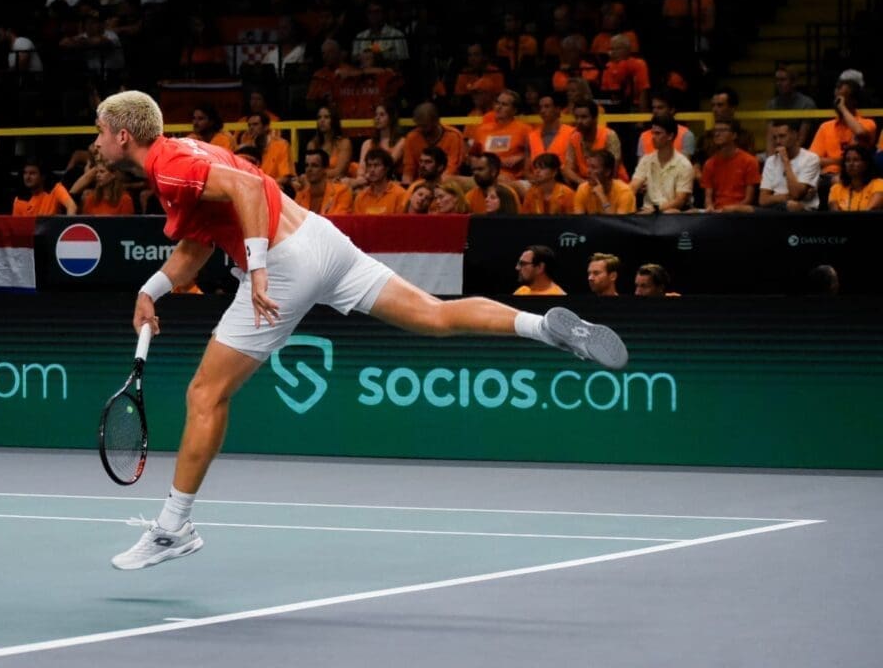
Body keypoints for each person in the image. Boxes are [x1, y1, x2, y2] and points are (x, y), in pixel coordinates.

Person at [93, 91, 626, 570]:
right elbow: (200, 241)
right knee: (434, 316)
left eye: (99, 132)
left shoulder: (167, 166)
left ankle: (173, 527)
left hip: (283, 264)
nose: (95, 143)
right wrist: (151, 290)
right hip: (320, 239)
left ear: (122, 135)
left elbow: (248, 187)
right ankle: (543, 327)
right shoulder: (186, 153)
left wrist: (257, 268)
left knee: (206, 394)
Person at [759, 120, 820, 211]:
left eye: (782, 136)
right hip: (776, 208)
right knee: (744, 210)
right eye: (775, 137)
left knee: (792, 206)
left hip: (803, 211)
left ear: (795, 135)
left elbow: (796, 194)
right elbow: (763, 200)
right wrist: (787, 197)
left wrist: (785, 160)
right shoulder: (771, 161)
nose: (778, 141)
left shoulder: (811, 158)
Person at [827, 144, 883, 212]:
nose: (851, 164)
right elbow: (835, 213)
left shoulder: (878, 184)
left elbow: (872, 209)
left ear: (866, 164)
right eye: (847, 160)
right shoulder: (835, 189)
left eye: (856, 160)